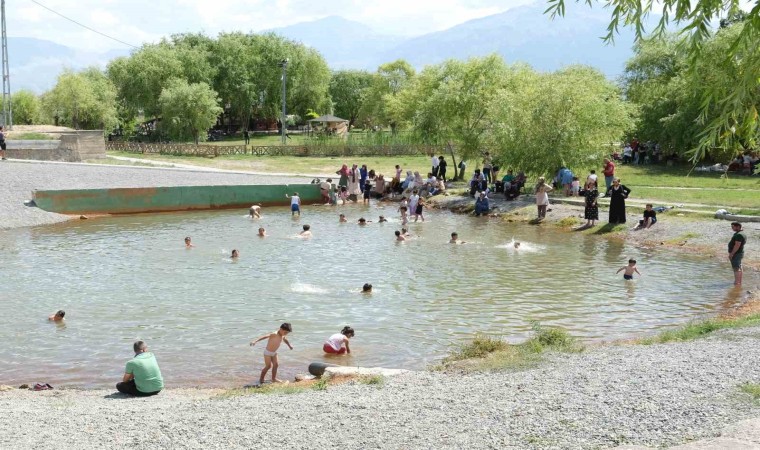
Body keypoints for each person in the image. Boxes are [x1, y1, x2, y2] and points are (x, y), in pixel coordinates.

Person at [728, 222, 746, 286]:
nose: (732, 228)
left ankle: (737, 282)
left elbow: (737, 245)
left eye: (733, 227)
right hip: (739, 253)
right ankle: (739, 282)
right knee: (739, 267)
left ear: (738, 226)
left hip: (736, 254)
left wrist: (732, 254)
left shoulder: (739, 235)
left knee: (736, 268)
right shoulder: (741, 233)